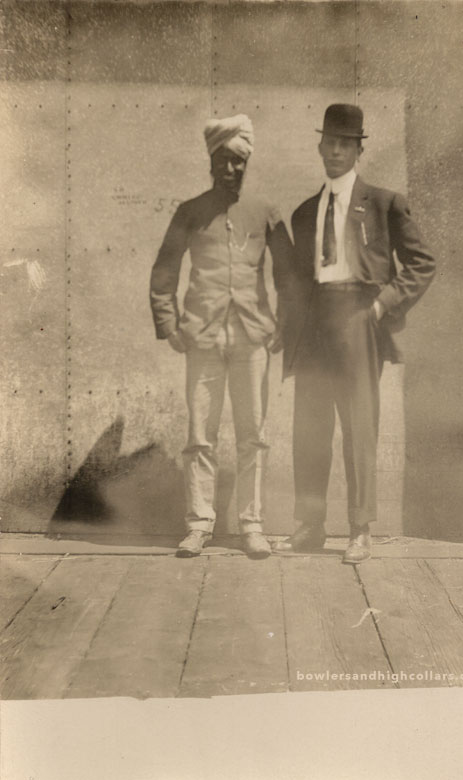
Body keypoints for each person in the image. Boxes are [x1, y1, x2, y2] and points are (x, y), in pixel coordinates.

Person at [279, 103, 435, 563]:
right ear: (320, 146)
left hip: (358, 319)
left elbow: (422, 262)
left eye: (345, 144)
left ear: (358, 149)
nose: (336, 151)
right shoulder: (305, 213)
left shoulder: (384, 204)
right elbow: (294, 281)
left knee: (359, 426)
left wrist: (384, 303)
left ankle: (360, 530)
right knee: (309, 428)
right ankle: (309, 526)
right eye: (329, 142)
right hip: (314, 325)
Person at [150, 114, 292, 559]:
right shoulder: (189, 211)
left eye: (238, 162)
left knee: (254, 434)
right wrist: (169, 324)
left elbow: (290, 277)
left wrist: (283, 325)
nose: (230, 170)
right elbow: (164, 271)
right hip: (204, 337)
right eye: (222, 161)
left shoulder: (265, 211)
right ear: (211, 161)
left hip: (252, 337)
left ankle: (252, 525)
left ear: (247, 163)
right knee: (200, 435)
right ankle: (199, 524)